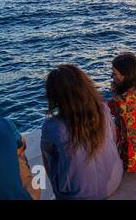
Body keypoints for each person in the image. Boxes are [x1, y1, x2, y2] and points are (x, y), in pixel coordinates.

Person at [42, 65, 123, 200]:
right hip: (114, 180)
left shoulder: (52, 125)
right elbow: (113, 139)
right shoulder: (103, 109)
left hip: (77, 195)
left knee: (51, 154)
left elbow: (48, 157)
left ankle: (60, 192)